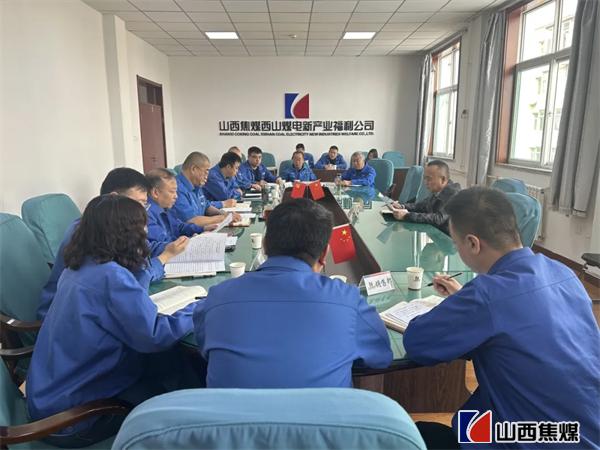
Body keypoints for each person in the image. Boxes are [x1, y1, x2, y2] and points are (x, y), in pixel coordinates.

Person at [403, 187, 600, 450]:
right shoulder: (563, 273)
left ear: (473, 243)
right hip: (582, 433)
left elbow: (418, 342)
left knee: (410, 435)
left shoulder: (487, 295)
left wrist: (465, 305)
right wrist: (466, 301)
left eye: (456, 244)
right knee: (469, 420)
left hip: (531, 439)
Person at [27, 195, 202, 448]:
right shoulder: (111, 277)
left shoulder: (79, 266)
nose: (146, 234)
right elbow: (154, 336)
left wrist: (155, 265)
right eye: (142, 228)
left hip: (50, 400)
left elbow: (126, 286)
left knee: (169, 366)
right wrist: (200, 307)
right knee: (178, 388)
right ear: (126, 235)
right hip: (75, 419)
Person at [193, 198, 392, 388]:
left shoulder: (218, 298)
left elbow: (204, 346)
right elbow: (381, 357)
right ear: (325, 253)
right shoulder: (348, 300)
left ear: (264, 245)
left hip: (232, 414)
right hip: (322, 413)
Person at [37, 167, 187, 320]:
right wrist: (163, 258)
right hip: (71, 316)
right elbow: (132, 280)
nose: (142, 211)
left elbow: (142, 258)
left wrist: (166, 251)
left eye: (144, 205)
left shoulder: (116, 226)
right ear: (114, 198)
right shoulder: (93, 232)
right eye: (138, 203)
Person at [146, 168, 209, 254]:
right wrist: (188, 241)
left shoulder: (164, 207)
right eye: (172, 192)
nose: (176, 196)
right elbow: (160, 245)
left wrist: (203, 228)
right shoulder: (147, 215)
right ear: (155, 193)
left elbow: (179, 227)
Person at [390, 160, 461, 235]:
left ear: (443, 179)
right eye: (425, 178)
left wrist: (407, 215)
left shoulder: (453, 193)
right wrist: (402, 206)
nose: (425, 182)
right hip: (435, 233)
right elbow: (422, 205)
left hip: (447, 238)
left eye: (429, 179)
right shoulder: (438, 191)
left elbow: (438, 218)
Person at [172, 151, 240, 227]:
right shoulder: (176, 188)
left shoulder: (196, 184)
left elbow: (206, 206)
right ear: (193, 169)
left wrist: (224, 214)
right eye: (206, 172)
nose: (207, 176)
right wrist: (222, 218)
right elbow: (192, 221)